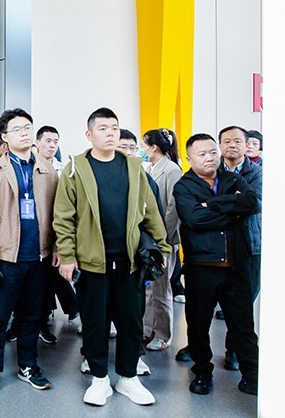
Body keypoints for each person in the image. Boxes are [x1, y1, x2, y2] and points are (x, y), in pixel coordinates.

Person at [53, 108, 170, 406]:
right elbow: (63, 217)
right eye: (103, 128)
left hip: (130, 262)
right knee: (95, 322)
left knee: (131, 322)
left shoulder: (133, 167)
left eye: (114, 128)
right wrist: (67, 255)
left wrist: (162, 246)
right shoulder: (75, 169)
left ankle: (128, 378)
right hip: (92, 262)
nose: (110, 133)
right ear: (89, 134)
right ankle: (99, 379)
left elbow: (150, 212)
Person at [0, 109, 59, 395]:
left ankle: (28, 365)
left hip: (38, 257)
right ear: (4, 137)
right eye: (17, 129)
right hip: (6, 259)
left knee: (31, 316)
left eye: (27, 128)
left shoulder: (47, 171)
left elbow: (57, 213)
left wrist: (57, 247)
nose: (24, 133)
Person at [174, 133, 259, 396]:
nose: (210, 158)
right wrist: (232, 212)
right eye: (202, 154)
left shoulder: (232, 179)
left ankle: (252, 377)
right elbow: (194, 219)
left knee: (243, 327)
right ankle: (202, 373)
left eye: (213, 152)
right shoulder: (184, 186)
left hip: (237, 266)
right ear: (189, 158)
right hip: (202, 268)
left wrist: (212, 203)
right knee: (198, 325)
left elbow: (251, 203)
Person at [218, 126, 263, 370]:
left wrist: (218, 202)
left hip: (249, 245)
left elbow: (255, 204)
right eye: (226, 141)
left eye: (237, 141)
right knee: (211, 300)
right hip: (219, 245)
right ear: (220, 146)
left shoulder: (257, 172)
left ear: (247, 145)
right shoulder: (213, 171)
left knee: (244, 303)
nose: (232, 145)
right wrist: (236, 199)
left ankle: (234, 349)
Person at [33, 125, 79, 344]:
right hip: (32, 235)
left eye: (55, 142)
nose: (52, 145)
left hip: (55, 237)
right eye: (48, 141)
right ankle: (18, 325)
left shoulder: (64, 170)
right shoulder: (29, 166)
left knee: (48, 285)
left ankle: (43, 324)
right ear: (37, 143)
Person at [139, 129, 183, 352]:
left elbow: (173, 207)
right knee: (150, 288)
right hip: (151, 240)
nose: (141, 149)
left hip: (164, 239)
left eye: (142, 145)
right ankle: (148, 329)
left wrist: (162, 238)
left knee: (162, 289)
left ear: (153, 147)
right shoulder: (151, 168)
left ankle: (163, 334)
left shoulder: (172, 170)